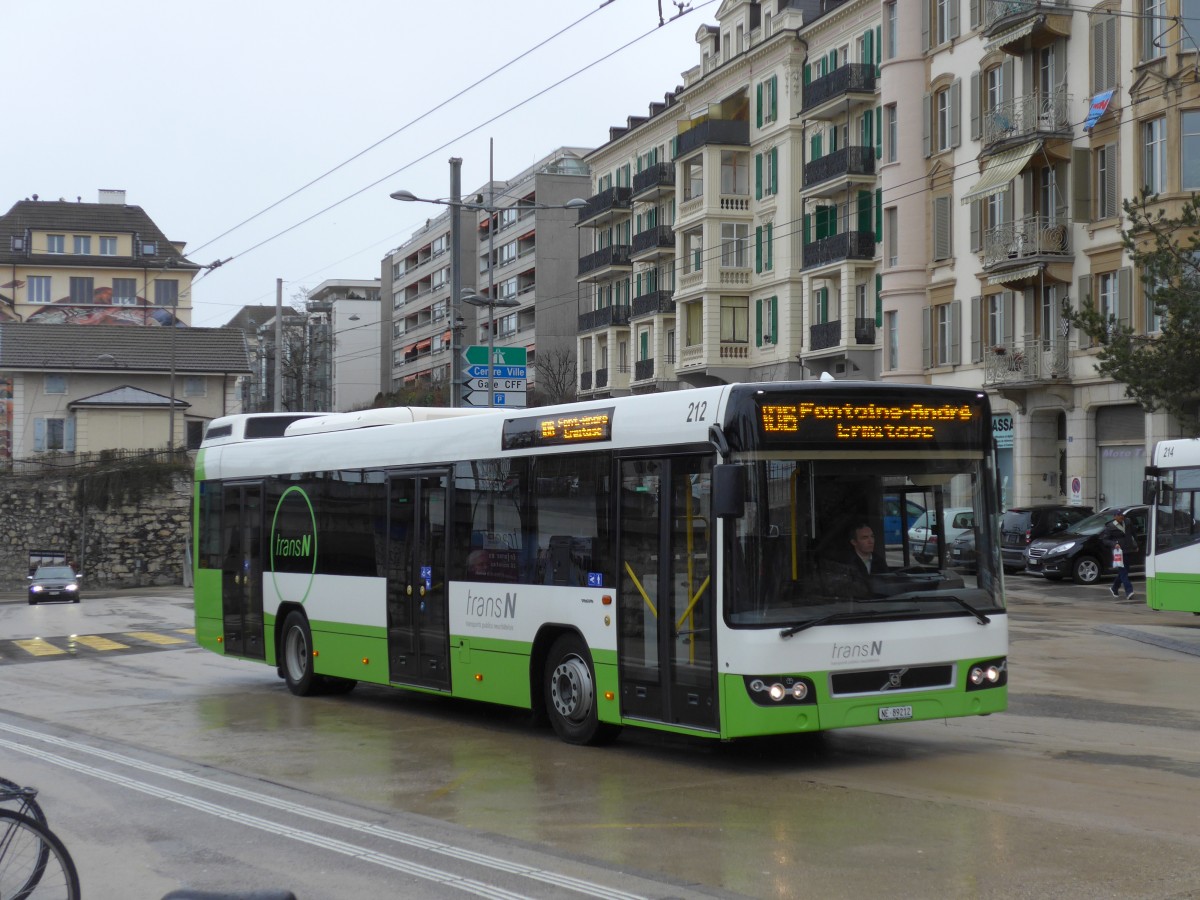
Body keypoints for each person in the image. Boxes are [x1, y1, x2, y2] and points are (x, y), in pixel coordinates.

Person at [1101, 511, 1137, 599]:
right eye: (1119, 515)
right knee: (1123, 572)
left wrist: (1136, 545)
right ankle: (1129, 591)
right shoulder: (1110, 526)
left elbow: (1133, 534)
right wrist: (1114, 544)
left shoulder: (1128, 522)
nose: (1122, 517)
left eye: (1122, 515)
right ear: (1115, 516)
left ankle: (1114, 588)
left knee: (1125, 571)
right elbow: (1105, 540)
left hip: (1128, 549)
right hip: (1119, 552)